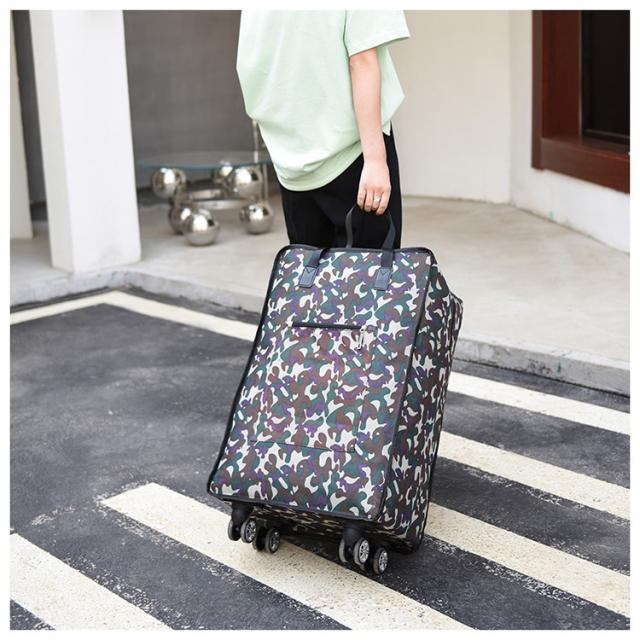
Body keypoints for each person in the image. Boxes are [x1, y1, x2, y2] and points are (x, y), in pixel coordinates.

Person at [235, 10, 410, 249]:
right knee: (373, 270)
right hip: (354, 152)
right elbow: (363, 59)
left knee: (310, 270)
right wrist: (375, 160)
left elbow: (252, 62)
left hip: (292, 158)